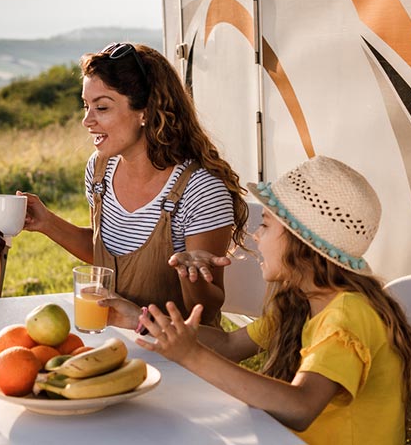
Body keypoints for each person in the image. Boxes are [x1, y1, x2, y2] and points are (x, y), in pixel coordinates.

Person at [136, 156, 411, 444]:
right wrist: (140, 319)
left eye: (265, 224)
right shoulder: (304, 301)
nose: (255, 236)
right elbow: (230, 345)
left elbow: (301, 407)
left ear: (299, 241)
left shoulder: (347, 314)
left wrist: (191, 355)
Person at [17, 42, 250, 327]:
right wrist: (47, 223)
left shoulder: (201, 190)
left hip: (183, 357)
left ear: (146, 112)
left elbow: (206, 309)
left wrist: (190, 275)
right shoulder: (99, 169)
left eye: (101, 107)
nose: (86, 120)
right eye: (86, 105)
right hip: (116, 340)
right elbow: (111, 255)